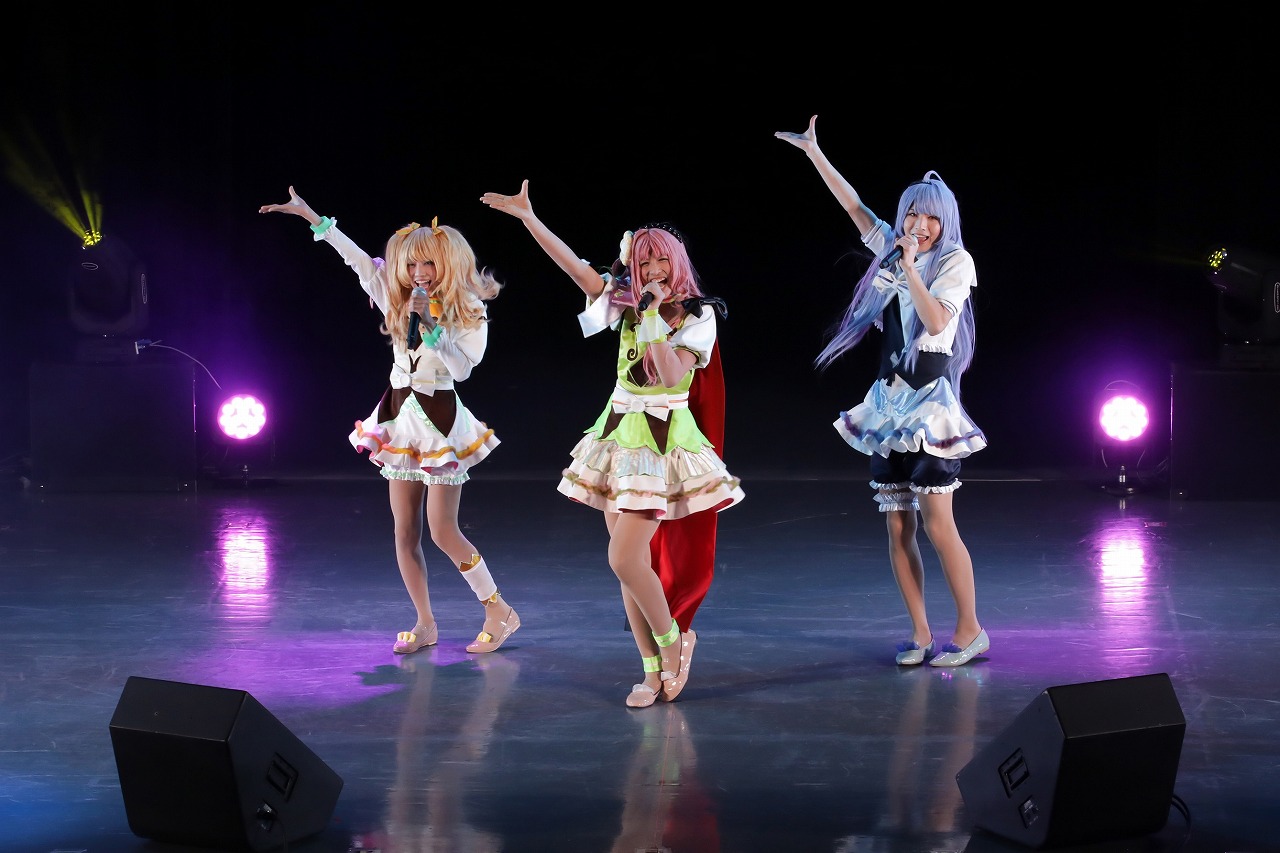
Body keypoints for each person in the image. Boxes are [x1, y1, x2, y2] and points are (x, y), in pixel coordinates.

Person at [481, 180, 744, 706]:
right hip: (617, 435)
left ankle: (674, 642)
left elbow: (671, 375)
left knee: (623, 558)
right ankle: (649, 667)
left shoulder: (698, 315)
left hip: (663, 441)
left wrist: (652, 316)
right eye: (643, 263)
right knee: (630, 568)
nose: (653, 271)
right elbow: (575, 268)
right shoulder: (624, 302)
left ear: (676, 262)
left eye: (661, 261)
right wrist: (529, 219)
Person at [258, 187, 520, 656]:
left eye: (428, 264)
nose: (418, 273)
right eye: (412, 264)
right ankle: (425, 623)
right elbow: (357, 260)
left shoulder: (469, 308)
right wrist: (310, 216)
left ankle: (498, 609)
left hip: (440, 421)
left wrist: (433, 329)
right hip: (399, 418)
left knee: (442, 530)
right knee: (404, 531)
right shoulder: (395, 296)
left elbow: (463, 370)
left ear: (448, 264)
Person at [774, 116, 988, 668]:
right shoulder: (890, 248)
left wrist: (910, 267)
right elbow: (853, 207)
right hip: (888, 404)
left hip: (930, 405)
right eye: (912, 214)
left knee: (939, 522)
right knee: (897, 524)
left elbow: (936, 321)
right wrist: (814, 153)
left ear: (945, 222)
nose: (919, 224)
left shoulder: (954, 262)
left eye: (930, 217)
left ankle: (970, 630)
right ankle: (920, 632)